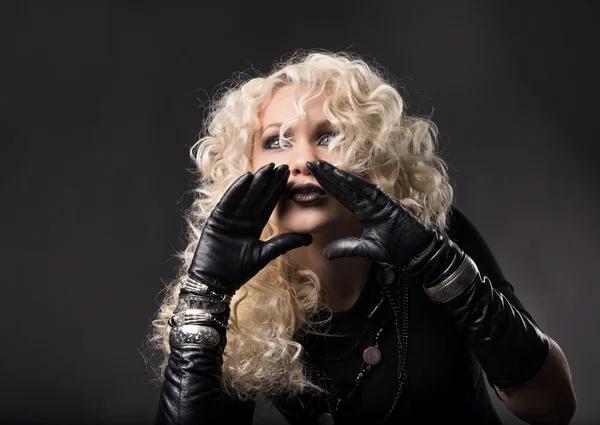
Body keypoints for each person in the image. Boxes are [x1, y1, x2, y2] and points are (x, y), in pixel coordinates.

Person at [149, 51, 576, 424]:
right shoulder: (245, 288)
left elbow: (552, 408)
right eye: (276, 141)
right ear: (247, 166)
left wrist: (441, 267)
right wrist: (205, 296)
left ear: (371, 156)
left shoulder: (436, 232)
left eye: (328, 136)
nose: (302, 160)